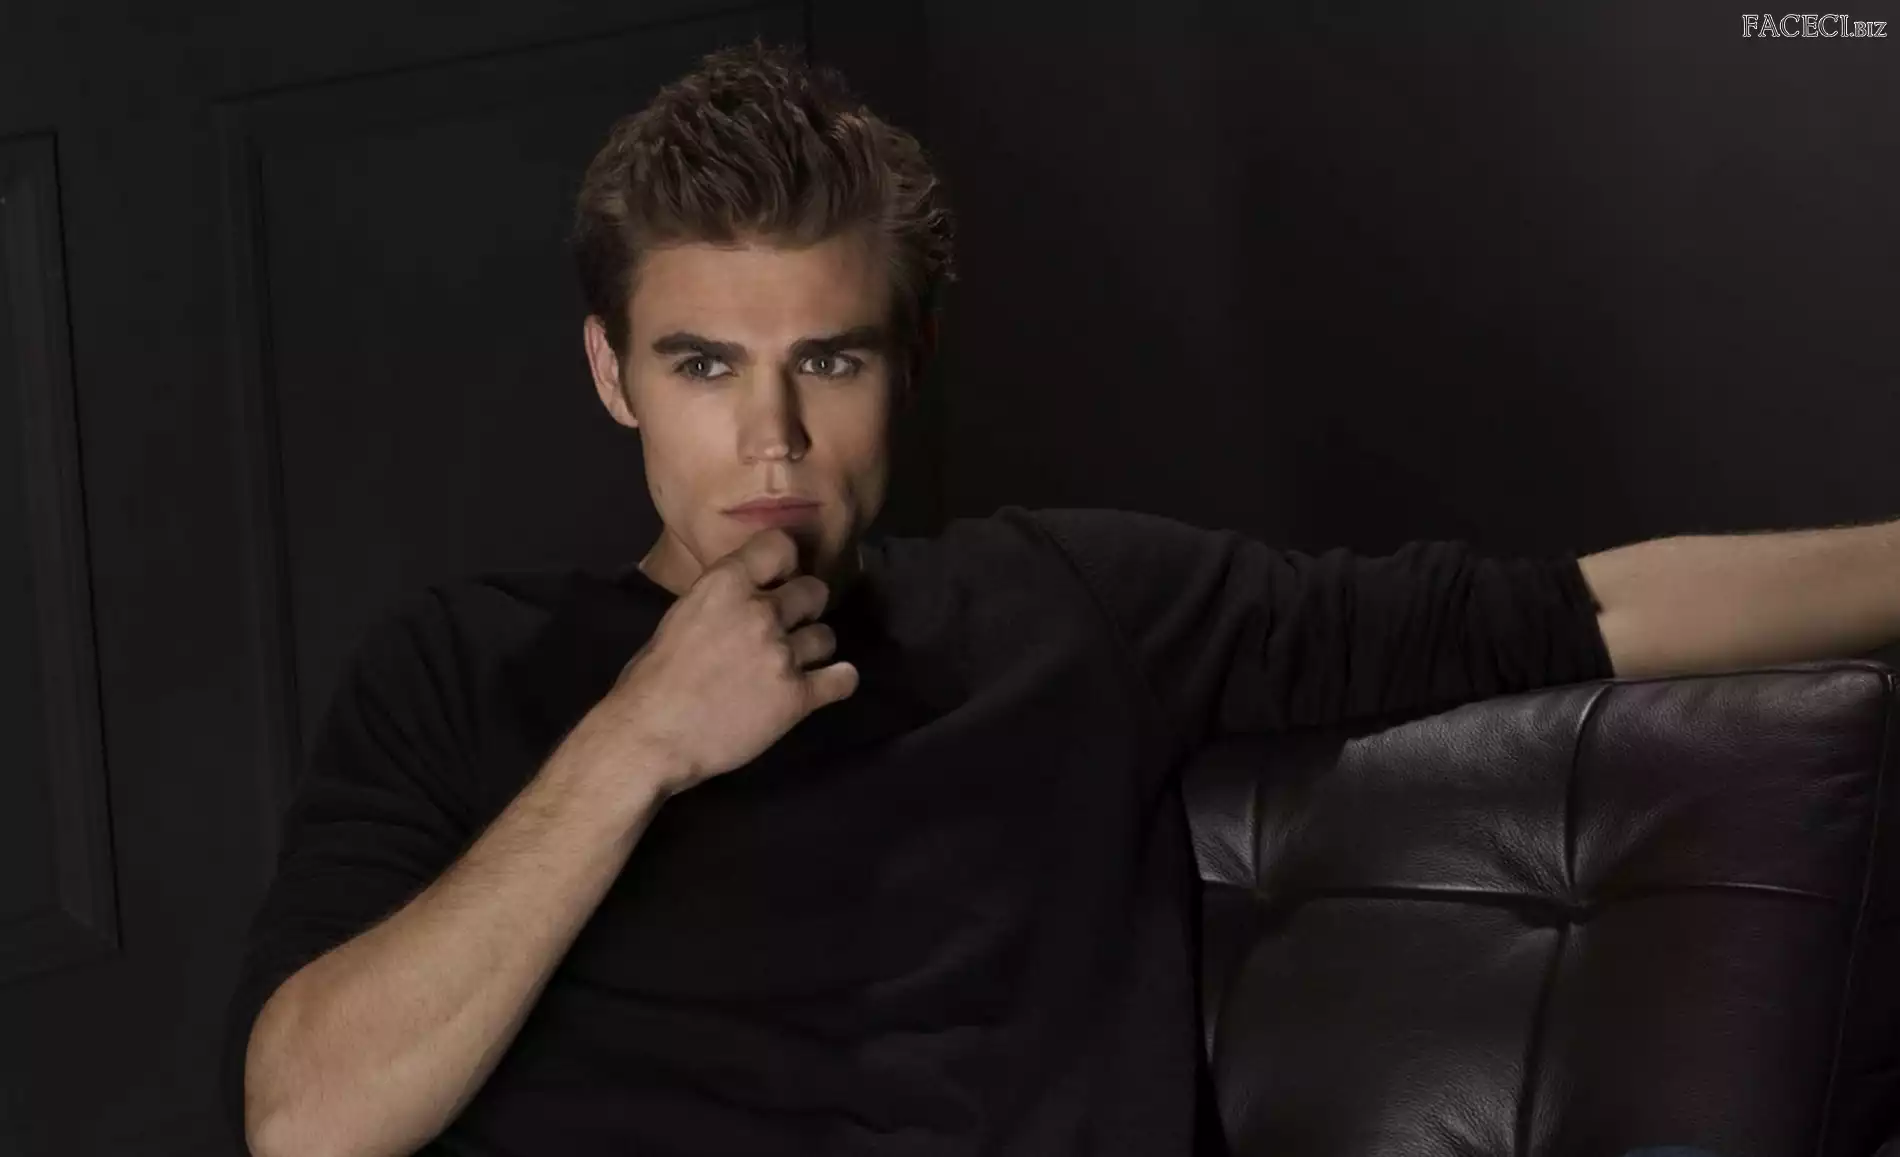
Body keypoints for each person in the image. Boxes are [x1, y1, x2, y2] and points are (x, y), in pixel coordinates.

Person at [220, 38, 1900, 1157]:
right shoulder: (461, 671)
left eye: (830, 360)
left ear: (913, 359)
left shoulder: (1070, 609)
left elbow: (1564, 615)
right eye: (705, 365)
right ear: (613, 374)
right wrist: (636, 743)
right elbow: (306, 1121)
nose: (772, 437)